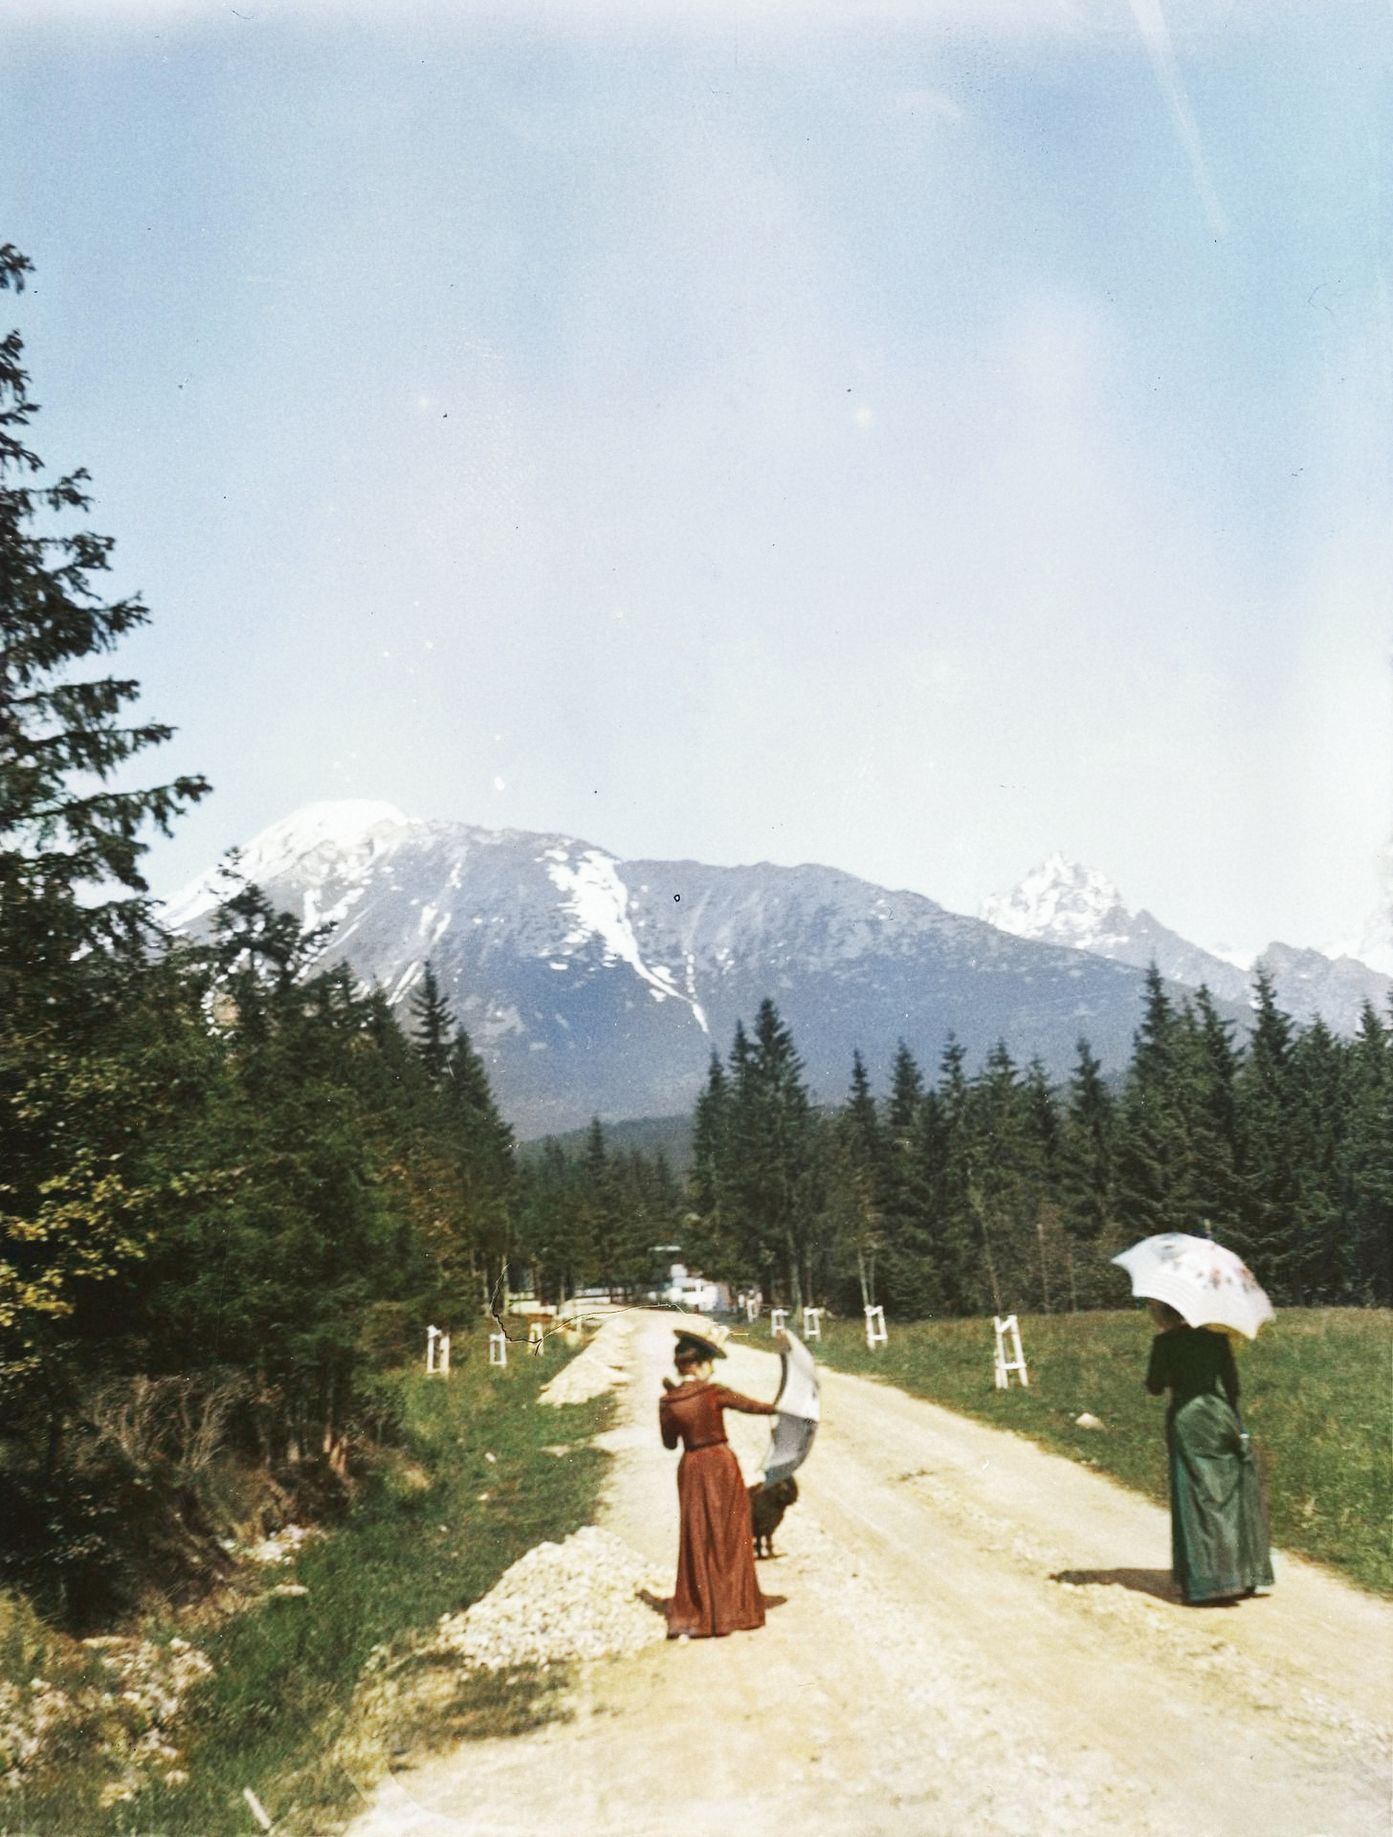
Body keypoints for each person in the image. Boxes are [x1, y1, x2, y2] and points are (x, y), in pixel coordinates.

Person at [1144, 1299, 1274, 1605]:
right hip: (1220, 1416)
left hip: (1188, 1421)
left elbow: (1154, 1386)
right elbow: (1233, 1387)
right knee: (1228, 1495)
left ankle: (1205, 1581)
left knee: (1195, 1498)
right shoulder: (1218, 1340)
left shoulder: (1165, 1343)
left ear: (1164, 1311)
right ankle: (1241, 1576)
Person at [659, 1322, 778, 1639]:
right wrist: (778, 1407)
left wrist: (673, 1403)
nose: (712, 1368)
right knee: (732, 1532)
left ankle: (705, 1611)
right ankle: (736, 1609)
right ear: (698, 1363)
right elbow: (753, 1406)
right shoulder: (713, 1392)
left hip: (692, 1466)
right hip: (721, 1465)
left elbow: (670, 1443)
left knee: (698, 1535)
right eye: (710, 1362)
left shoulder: (668, 1401)